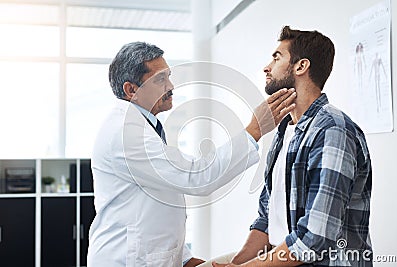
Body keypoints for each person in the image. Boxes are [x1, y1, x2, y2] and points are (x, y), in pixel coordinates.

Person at [87, 41, 297, 267]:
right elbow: (195, 177)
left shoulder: (143, 127)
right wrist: (254, 130)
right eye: (160, 79)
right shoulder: (126, 133)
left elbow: (157, 207)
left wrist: (185, 260)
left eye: (169, 76)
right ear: (131, 90)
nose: (171, 85)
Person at [211, 26, 373, 267]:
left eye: (277, 58)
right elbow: (267, 219)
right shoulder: (285, 129)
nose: (267, 67)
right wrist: (236, 264)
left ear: (301, 66)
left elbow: (314, 239)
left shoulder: (333, 130)